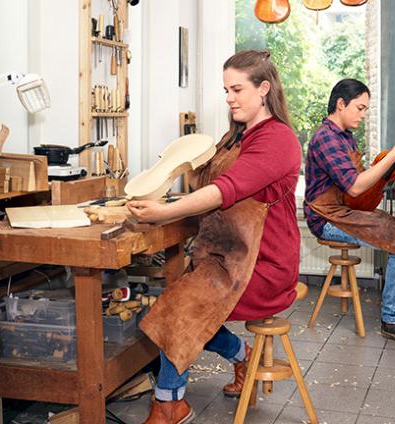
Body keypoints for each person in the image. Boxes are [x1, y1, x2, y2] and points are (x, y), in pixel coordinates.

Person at [127, 50, 301, 424]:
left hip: (262, 263)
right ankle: (243, 355)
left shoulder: (278, 140)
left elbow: (226, 190)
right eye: (226, 90)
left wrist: (165, 212)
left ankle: (169, 404)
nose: (229, 98)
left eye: (237, 89)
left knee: (181, 305)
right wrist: (183, 161)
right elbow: (204, 184)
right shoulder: (234, 136)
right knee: (181, 302)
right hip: (225, 255)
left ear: (264, 89)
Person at [304, 78, 395, 348]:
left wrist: (392, 163)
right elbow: (355, 184)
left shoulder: (344, 137)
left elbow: (356, 184)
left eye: (366, 109)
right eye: (360, 108)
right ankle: (393, 320)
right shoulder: (326, 138)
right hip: (326, 217)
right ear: (341, 104)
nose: (363, 115)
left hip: (344, 210)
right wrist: (391, 156)